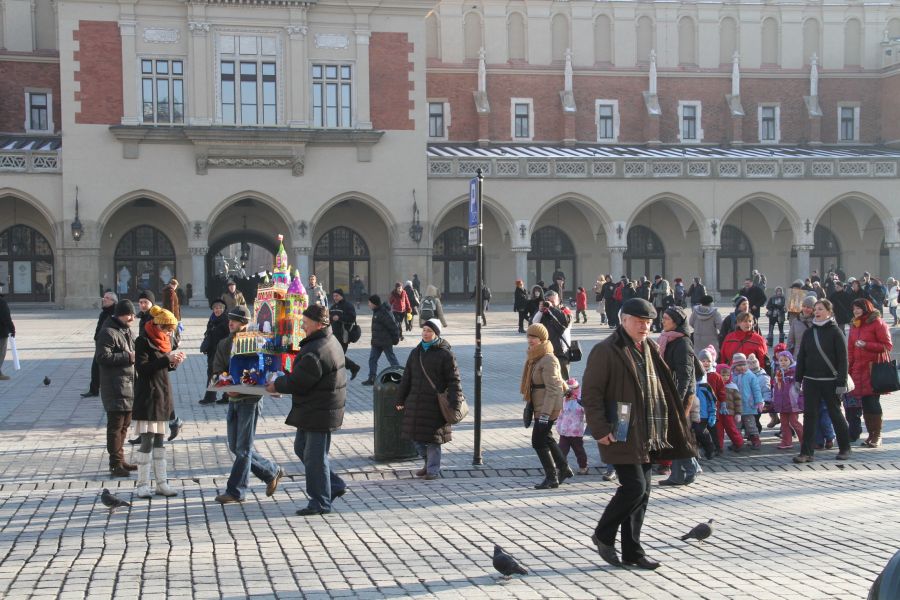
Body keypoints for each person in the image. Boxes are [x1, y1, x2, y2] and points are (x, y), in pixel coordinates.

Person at [581, 298, 694, 570]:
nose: (645, 327)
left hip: (648, 430)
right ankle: (603, 534)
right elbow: (591, 393)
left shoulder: (650, 348)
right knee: (634, 487)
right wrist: (599, 429)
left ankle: (633, 551)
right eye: (639, 321)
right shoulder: (606, 350)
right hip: (621, 430)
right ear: (624, 320)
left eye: (648, 322)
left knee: (643, 494)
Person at [266, 305, 348, 516]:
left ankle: (320, 502)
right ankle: (334, 485)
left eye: (305, 323)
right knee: (302, 447)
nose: (302, 326)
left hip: (320, 410)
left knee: (314, 457)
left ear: (319, 324)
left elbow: (299, 382)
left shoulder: (317, 350)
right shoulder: (326, 340)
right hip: (317, 407)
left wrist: (276, 385)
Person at [214, 305, 284, 504]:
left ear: (244, 323)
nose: (230, 323)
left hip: (251, 400)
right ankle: (271, 471)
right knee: (235, 447)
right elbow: (218, 368)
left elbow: (266, 367)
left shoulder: (257, 341)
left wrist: (274, 383)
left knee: (243, 448)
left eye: (235, 320)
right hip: (233, 398)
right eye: (230, 320)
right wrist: (225, 386)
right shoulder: (225, 343)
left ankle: (236, 491)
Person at [396, 318, 462, 480]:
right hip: (415, 402)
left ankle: (432, 470)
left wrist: (455, 402)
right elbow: (406, 378)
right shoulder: (415, 353)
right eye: (424, 330)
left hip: (435, 405)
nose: (425, 333)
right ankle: (428, 462)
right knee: (415, 437)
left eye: (429, 331)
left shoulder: (446, 354)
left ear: (436, 334)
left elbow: (454, 381)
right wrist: (400, 399)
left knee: (433, 440)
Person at [132, 306, 185, 499]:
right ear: (158, 326)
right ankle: (142, 484)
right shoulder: (143, 340)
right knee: (147, 441)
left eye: (171, 330)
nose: (170, 333)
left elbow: (163, 367)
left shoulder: (165, 341)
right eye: (168, 329)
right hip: (148, 397)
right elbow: (143, 368)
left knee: (160, 442)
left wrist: (173, 363)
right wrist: (166, 359)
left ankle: (161, 483)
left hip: (163, 395)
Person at [793, 299, 852, 463]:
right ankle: (806, 453)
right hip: (811, 380)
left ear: (829, 312)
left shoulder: (835, 332)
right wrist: (798, 379)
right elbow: (802, 357)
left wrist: (841, 382)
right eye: (816, 309)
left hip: (830, 380)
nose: (817, 312)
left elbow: (843, 360)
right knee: (809, 416)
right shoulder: (809, 332)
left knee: (835, 414)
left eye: (820, 309)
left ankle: (845, 448)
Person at [521, 323, 573, 489]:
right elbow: (559, 381)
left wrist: (545, 414)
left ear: (542, 339)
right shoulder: (536, 357)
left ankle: (552, 477)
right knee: (547, 437)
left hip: (548, 406)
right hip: (539, 404)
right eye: (529, 336)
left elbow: (553, 388)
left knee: (538, 441)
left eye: (534, 337)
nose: (530, 340)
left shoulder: (548, 359)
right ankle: (563, 469)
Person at [657, 306, 701, 486]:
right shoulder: (667, 339)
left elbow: (686, 375)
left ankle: (691, 466)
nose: (663, 321)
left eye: (666, 318)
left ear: (676, 322)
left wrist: (678, 398)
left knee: (676, 433)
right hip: (670, 391)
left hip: (681, 394)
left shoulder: (682, 343)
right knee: (674, 433)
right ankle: (678, 474)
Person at [96, 299, 138, 477]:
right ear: (120, 314)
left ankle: (121, 459)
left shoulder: (127, 331)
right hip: (115, 387)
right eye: (129, 315)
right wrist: (128, 357)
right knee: (115, 427)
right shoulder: (108, 332)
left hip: (128, 385)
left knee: (124, 426)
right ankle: (115, 464)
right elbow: (102, 357)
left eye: (133, 315)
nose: (132, 318)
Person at [847, 298, 892, 448]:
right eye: (854, 308)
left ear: (866, 308)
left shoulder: (877, 322)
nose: (856, 311)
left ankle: (877, 435)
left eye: (858, 308)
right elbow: (851, 349)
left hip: (874, 368)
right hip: (859, 369)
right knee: (866, 403)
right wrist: (849, 368)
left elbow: (887, 345)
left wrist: (866, 345)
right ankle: (871, 435)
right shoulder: (854, 324)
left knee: (873, 402)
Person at [82, 291, 117, 398]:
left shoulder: (115, 313)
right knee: (95, 367)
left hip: (109, 345)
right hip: (100, 343)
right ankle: (94, 390)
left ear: (113, 301)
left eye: (107, 298)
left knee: (108, 368)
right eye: (104, 297)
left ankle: (110, 390)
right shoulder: (104, 312)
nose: (103, 299)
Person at [532, 290, 573, 380]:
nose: (550, 303)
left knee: (562, 380)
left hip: (561, 352)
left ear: (558, 301)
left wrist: (551, 308)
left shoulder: (565, 310)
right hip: (547, 352)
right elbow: (534, 325)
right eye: (548, 301)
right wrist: (540, 311)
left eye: (553, 301)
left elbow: (565, 322)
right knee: (548, 380)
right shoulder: (543, 313)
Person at [361, 295, 400, 386]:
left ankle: (400, 376)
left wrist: (395, 339)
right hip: (377, 342)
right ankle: (372, 378)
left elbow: (393, 326)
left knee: (391, 359)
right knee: (372, 360)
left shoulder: (383, 312)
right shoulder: (376, 311)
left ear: (374, 303)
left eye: (369, 302)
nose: (368, 304)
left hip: (385, 341)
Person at [772, 350, 804, 450]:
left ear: (790, 360)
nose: (783, 362)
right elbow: (776, 388)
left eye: (786, 360)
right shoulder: (778, 372)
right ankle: (786, 442)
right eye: (781, 360)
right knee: (784, 423)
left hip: (793, 402)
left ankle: (804, 441)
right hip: (782, 403)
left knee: (794, 422)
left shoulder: (795, 372)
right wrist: (774, 399)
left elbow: (800, 386)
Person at [556, 378, 590, 475]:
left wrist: (579, 401)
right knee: (561, 451)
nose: (570, 392)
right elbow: (561, 414)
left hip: (576, 431)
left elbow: (586, 411)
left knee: (579, 451)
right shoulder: (564, 400)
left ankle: (583, 467)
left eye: (573, 389)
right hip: (564, 431)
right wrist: (559, 426)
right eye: (568, 390)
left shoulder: (580, 400)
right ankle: (559, 467)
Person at [199, 298, 230, 404]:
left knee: (220, 373)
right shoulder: (212, 319)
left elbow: (229, 336)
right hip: (212, 350)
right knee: (213, 373)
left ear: (224, 309)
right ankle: (214, 396)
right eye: (215, 308)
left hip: (223, 351)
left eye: (220, 308)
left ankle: (223, 396)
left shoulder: (226, 320)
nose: (218, 310)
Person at [329, 289, 361, 380]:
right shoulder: (333, 306)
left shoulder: (348, 306)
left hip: (344, 336)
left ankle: (340, 376)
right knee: (336, 356)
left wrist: (339, 318)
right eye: (334, 296)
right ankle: (353, 367)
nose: (335, 298)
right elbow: (330, 318)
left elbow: (352, 318)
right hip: (333, 336)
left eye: (337, 296)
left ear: (341, 296)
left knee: (337, 356)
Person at [715, 363, 744, 452]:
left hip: (729, 412)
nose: (725, 377)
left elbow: (738, 401)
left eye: (727, 375)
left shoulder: (732, 386)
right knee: (718, 430)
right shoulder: (715, 385)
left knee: (731, 429)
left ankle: (739, 443)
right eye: (723, 375)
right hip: (717, 412)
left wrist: (738, 413)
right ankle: (719, 447)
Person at [0, 283, 14, 381]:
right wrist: (12, 329)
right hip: (1, 332)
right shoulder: (1, 302)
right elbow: (6, 317)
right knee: (1, 352)